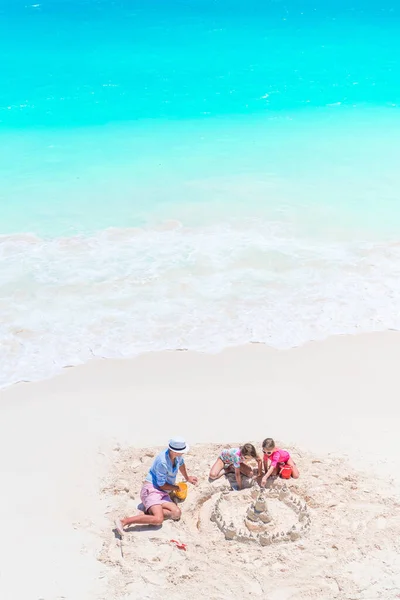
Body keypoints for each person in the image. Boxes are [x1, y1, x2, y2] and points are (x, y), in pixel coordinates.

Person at [114, 437, 197, 535]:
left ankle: (150, 511)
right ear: (174, 451)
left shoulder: (177, 457)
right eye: (182, 451)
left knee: (176, 513)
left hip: (163, 493)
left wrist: (187, 478)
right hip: (152, 490)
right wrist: (176, 488)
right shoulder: (162, 462)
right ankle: (124, 521)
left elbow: (181, 465)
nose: (183, 453)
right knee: (158, 519)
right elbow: (161, 485)